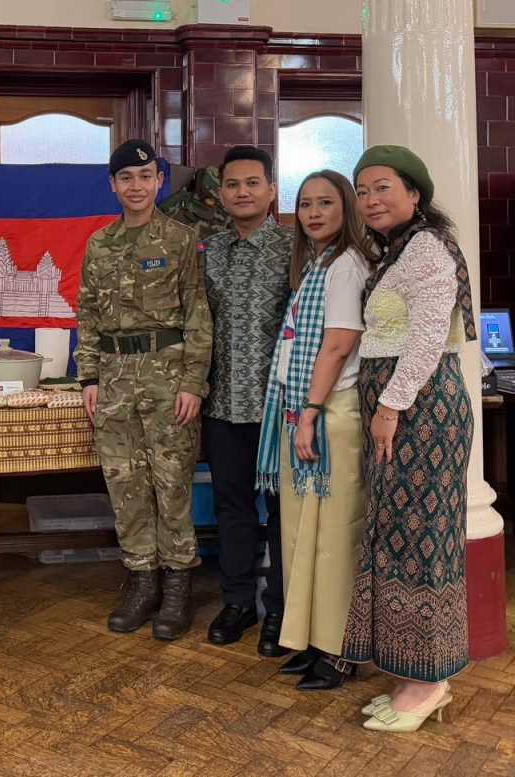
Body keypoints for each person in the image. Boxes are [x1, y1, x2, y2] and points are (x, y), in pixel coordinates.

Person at [342, 146, 476, 732]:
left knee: (422, 537)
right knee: (396, 535)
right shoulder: (395, 252)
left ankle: (429, 681)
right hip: (397, 406)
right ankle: (411, 671)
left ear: (414, 194)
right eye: (363, 190)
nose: (371, 200)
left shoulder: (426, 248)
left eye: (383, 188)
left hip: (420, 409)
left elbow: (425, 339)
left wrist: (390, 407)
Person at [75, 139, 213, 640]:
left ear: (160, 181)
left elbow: (199, 316)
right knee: (124, 484)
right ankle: (141, 581)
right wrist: (88, 376)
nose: (136, 186)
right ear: (112, 185)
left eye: (146, 176)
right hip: (113, 379)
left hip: (167, 376)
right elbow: (87, 315)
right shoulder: (99, 244)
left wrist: (194, 382)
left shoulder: (180, 240)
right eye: (126, 178)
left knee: (171, 482)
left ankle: (178, 586)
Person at [255, 170, 373, 690]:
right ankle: (309, 640)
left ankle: (340, 648)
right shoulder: (315, 265)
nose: (314, 213)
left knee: (334, 537)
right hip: (301, 411)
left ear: (347, 207)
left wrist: (309, 413)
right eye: (305, 204)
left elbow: (338, 344)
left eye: (326, 202)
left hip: (327, 414)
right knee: (303, 533)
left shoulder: (346, 265)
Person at [203, 146, 292, 655]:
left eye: (253, 183)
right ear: (220, 194)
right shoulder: (208, 250)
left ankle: (280, 607)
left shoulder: (295, 248)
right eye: (233, 184)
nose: (243, 192)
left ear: (271, 190)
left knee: (283, 511)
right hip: (221, 406)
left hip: (278, 408)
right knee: (231, 505)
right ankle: (238, 601)